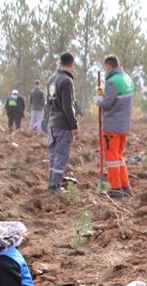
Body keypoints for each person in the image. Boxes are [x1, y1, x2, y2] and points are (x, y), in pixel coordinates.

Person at [94, 55, 135, 199]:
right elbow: (114, 98)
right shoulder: (127, 79)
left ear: (109, 66)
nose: (105, 71)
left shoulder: (112, 82)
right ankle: (125, 186)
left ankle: (116, 189)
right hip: (124, 126)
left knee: (111, 158)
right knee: (118, 157)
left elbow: (106, 103)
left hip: (112, 126)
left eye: (105, 68)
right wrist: (101, 90)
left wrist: (97, 98)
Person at [47, 53, 79, 194]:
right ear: (71, 64)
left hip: (53, 123)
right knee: (61, 156)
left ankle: (52, 183)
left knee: (54, 155)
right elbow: (68, 106)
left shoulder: (52, 80)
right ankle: (55, 187)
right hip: (63, 124)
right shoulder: (66, 81)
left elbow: (48, 102)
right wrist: (74, 125)